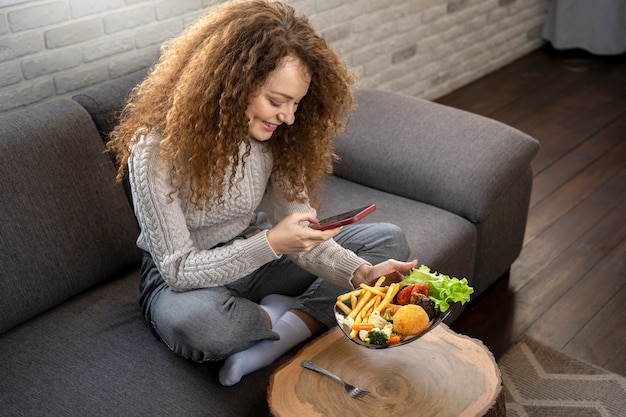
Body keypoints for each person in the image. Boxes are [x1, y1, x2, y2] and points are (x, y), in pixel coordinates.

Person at [107, 0, 417, 387]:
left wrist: (360, 274)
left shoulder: (276, 139)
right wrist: (272, 242)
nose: (287, 116)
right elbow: (179, 270)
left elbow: (305, 236)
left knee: (388, 240)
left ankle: (283, 331)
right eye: (276, 101)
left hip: (255, 257)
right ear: (231, 83)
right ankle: (274, 317)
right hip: (182, 280)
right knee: (201, 325)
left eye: (296, 104)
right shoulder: (154, 148)